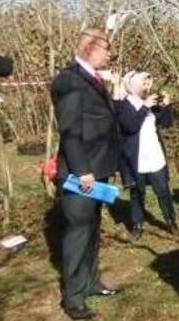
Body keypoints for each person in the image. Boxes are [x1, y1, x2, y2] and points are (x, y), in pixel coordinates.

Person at [51, 28, 121, 320]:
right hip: (82, 173)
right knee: (78, 232)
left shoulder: (93, 78)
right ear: (91, 47)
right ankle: (73, 297)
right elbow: (70, 131)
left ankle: (91, 283)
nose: (110, 54)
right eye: (107, 49)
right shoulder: (69, 80)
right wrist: (83, 171)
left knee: (92, 230)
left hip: (99, 168)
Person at [115, 71, 178, 240]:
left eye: (148, 83)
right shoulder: (124, 105)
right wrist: (145, 107)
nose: (146, 86)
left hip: (155, 156)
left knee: (163, 190)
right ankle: (137, 225)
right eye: (143, 83)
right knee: (137, 193)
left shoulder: (149, 102)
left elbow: (166, 122)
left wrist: (166, 105)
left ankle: (171, 221)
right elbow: (130, 126)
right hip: (135, 159)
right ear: (132, 86)